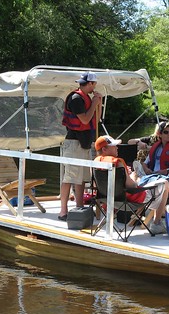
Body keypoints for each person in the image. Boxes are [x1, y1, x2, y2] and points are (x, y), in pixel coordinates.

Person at [94, 135, 169, 235]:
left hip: (107, 198)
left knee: (144, 180)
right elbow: (132, 186)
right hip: (130, 200)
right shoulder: (118, 163)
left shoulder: (95, 164)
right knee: (164, 183)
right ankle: (156, 223)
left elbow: (97, 185)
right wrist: (134, 177)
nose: (117, 147)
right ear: (104, 149)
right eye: (114, 146)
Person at [58, 71, 103, 221]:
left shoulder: (88, 99)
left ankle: (79, 206)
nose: (95, 86)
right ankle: (63, 211)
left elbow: (96, 119)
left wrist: (99, 102)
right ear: (90, 84)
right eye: (94, 84)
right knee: (69, 177)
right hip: (73, 142)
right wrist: (94, 103)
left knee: (82, 177)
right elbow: (84, 120)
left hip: (84, 143)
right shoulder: (76, 98)